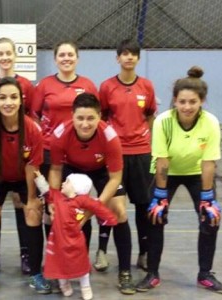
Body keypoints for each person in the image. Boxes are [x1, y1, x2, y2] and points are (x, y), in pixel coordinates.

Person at [137, 66, 222, 295]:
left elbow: (209, 163)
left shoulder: (210, 122)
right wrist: (160, 196)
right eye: (182, 101)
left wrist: (207, 199)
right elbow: (162, 160)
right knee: (156, 217)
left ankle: (205, 274)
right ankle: (153, 273)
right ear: (175, 101)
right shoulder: (162, 122)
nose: (187, 107)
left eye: (192, 102)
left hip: (197, 172)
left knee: (210, 219)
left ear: (202, 101)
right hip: (166, 172)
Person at [48, 93, 136, 295]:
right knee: (60, 215)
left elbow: (115, 178)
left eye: (90, 118)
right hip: (73, 169)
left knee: (119, 212)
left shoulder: (110, 137)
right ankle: (70, 270)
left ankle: (124, 272)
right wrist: (53, 200)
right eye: (80, 118)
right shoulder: (61, 134)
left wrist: (93, 208)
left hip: (102, 170)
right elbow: (54, 169)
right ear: (72, 116)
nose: (85, 124)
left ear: (100, 117)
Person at [0, 77, 50, 296]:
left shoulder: (32, 129)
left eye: (13, 97)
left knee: (33, 214)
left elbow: (32, 166)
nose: (8, 102)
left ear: (21, 100)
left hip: (23, 176)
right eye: (2, 97)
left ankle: (36, 273)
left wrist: (32, 198)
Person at [31, 40, 98, 277]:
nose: (66, 58)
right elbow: (33, 115)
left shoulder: (88, 84)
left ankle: (81, 261)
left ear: (77, 58)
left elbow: (95, 117)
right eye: (62, 55)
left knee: (79, 209)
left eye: (70, 54)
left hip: (79, 155)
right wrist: (45, 136)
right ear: (55, 58)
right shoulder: (45, 85)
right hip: (51, 154)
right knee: (52, 209)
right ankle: (52, 260)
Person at [97, 38, 157, 275]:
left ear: (138, 59)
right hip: (116, 156)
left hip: (142, 154)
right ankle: (101, 251)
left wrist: (144, 137)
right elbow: (100, 117)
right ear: (118, 58)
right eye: (125, 54)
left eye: (133, 54)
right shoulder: (107, 87)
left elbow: (151, 115)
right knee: (112, 206)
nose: (129, 57)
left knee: (143, 206)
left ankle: (143, 253)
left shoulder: (147, 87)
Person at [0, 37, 35, 275]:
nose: (4, 57)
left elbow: (29, 116)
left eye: (8, 53)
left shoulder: (28, 85)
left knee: (25, 208)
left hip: (19, 160)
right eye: (0, 53)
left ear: (15, 55)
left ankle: (26, 255)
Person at [33, 171, 117, 300]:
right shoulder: (57, 197)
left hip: (75, 240)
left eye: (67, 182)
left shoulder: (82, 200)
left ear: (75, 187)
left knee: (81, 263)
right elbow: (46, 190)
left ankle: (85, 286)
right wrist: (39, 177)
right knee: (58, 262)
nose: (63, 183)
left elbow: (97, 207)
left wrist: (110, 219)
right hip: (58, 240)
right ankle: (64, 284)